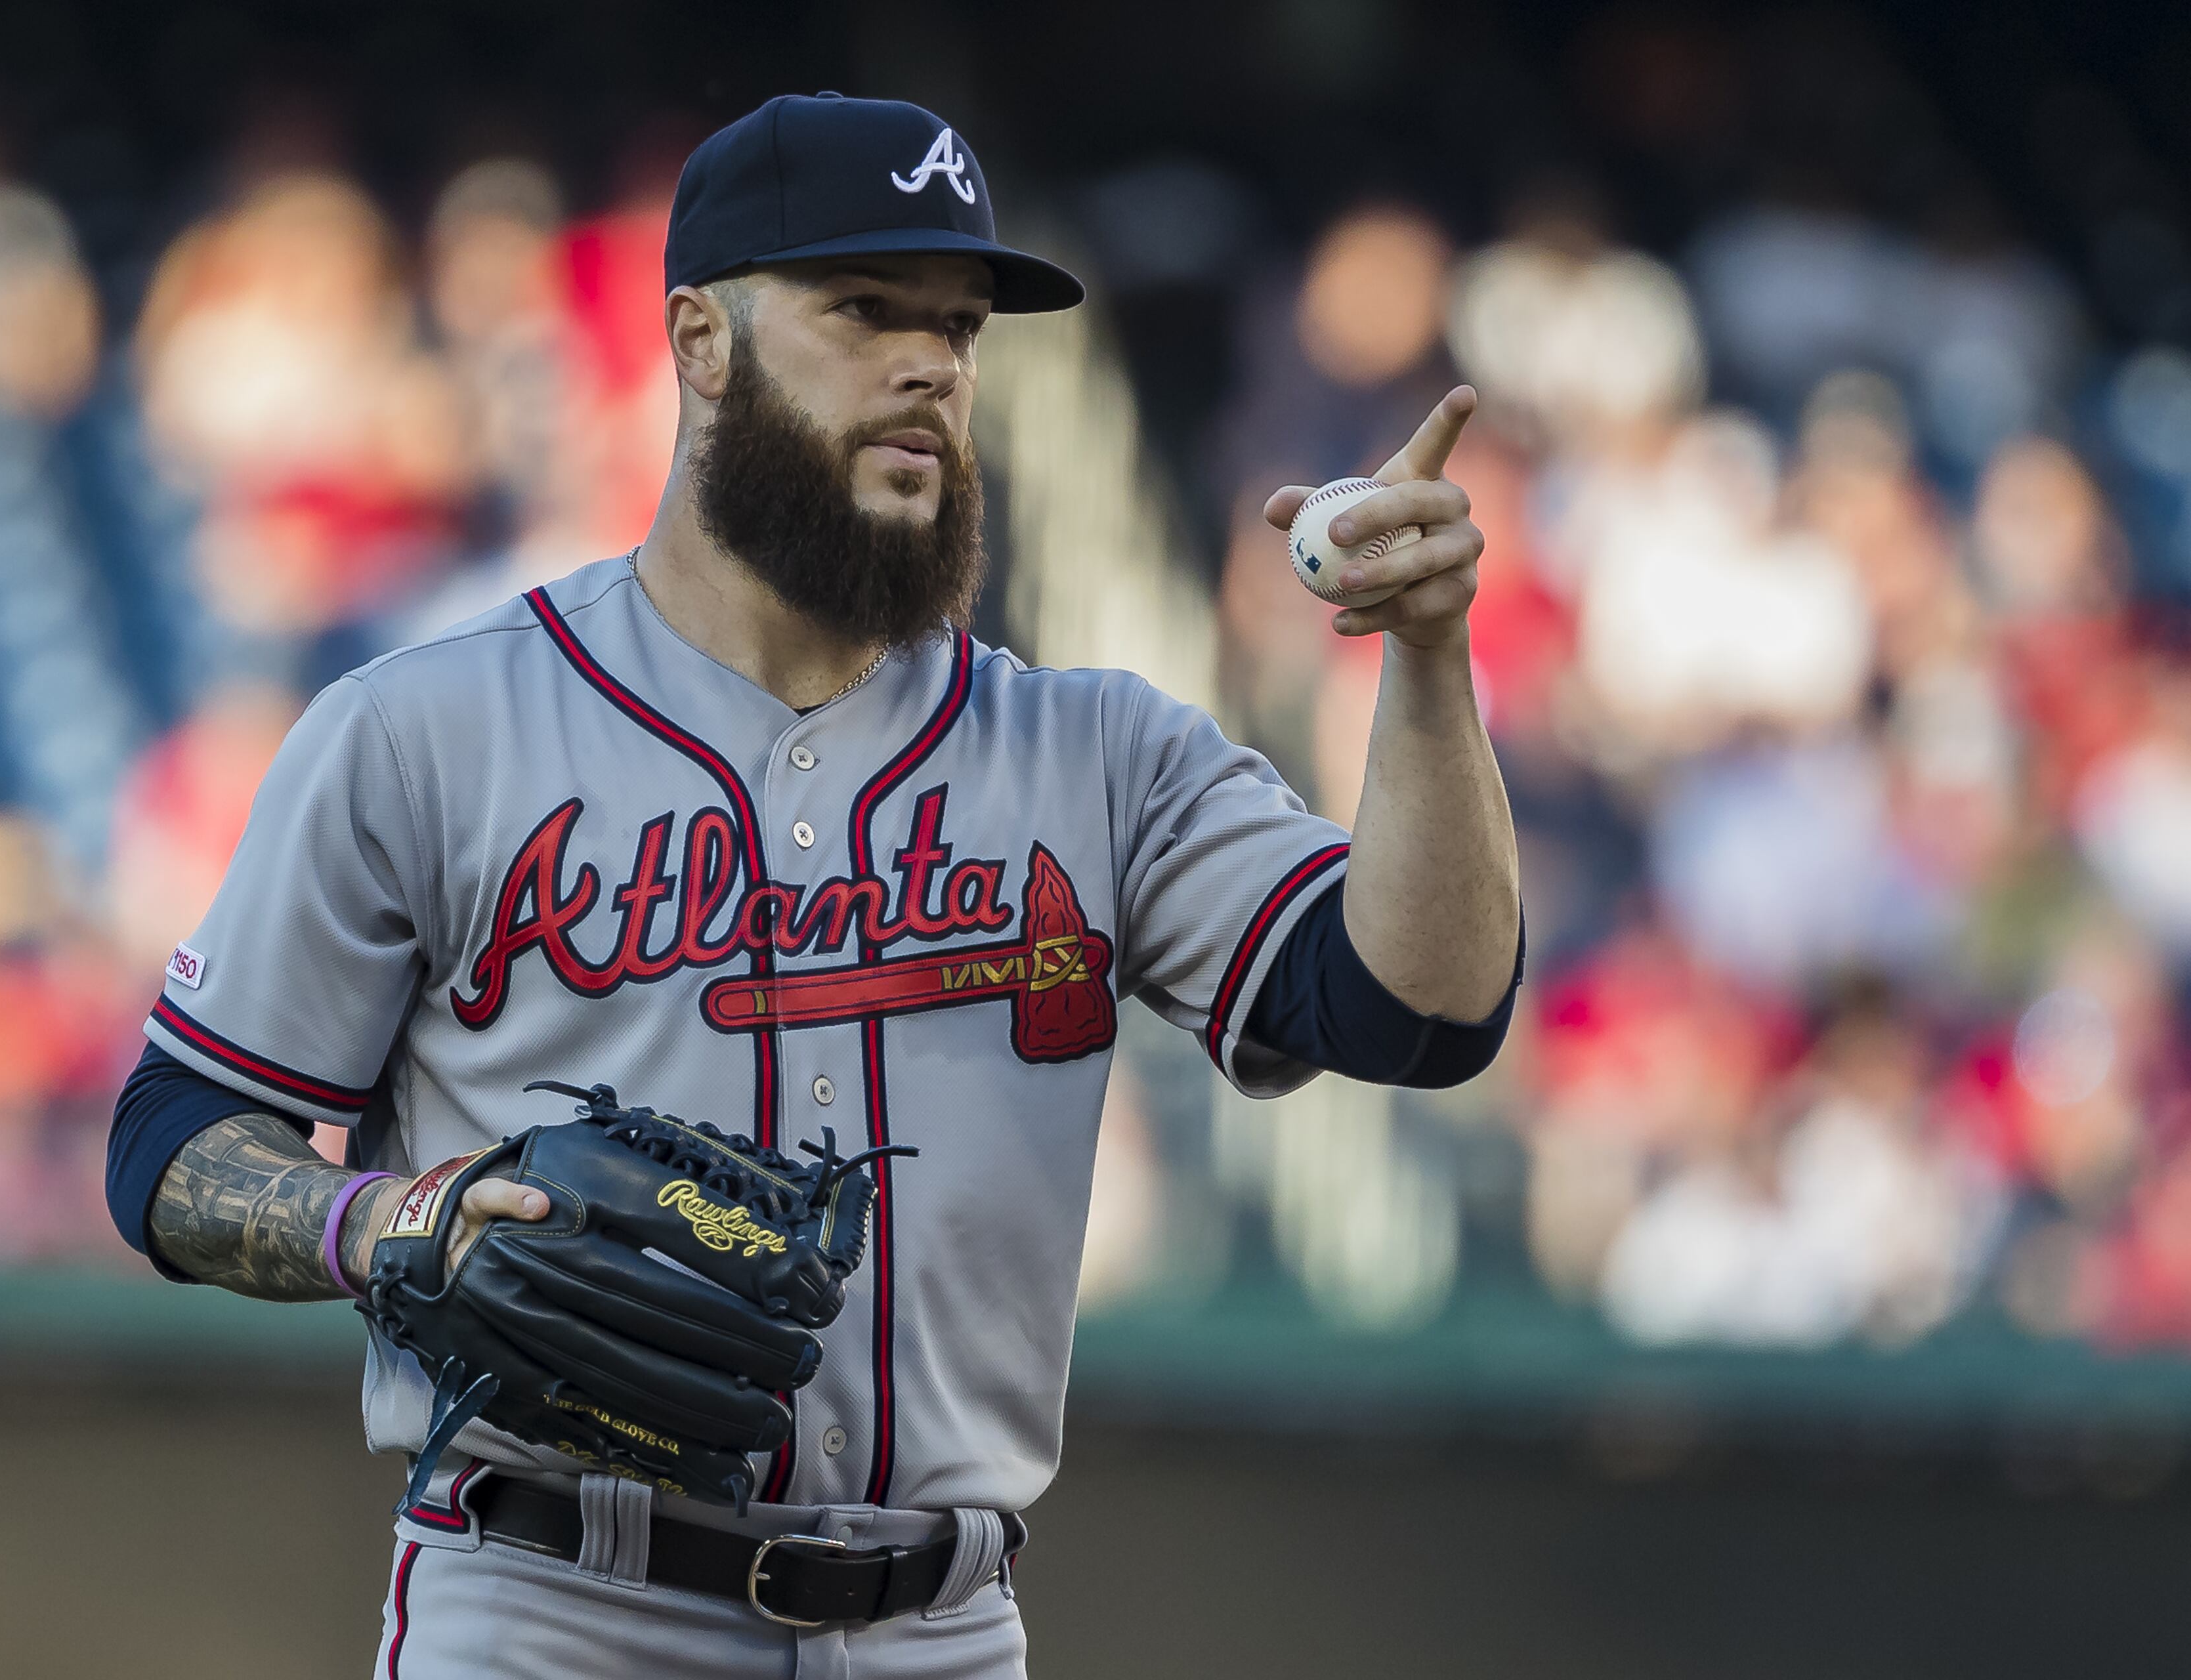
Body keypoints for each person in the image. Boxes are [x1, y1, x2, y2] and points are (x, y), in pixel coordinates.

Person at [104, 93, 1521, 1679]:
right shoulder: (427, 728)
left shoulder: (1099, 753)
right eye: (864, 309)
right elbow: (171, 1138)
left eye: (961, 327)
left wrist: (1430, 660)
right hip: (553, 1608)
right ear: (701, 340)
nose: (932, 365)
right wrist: (389, 1222)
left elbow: (1422, 1009)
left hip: (943, 1626)